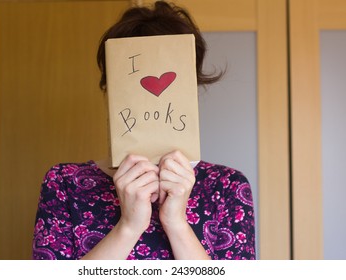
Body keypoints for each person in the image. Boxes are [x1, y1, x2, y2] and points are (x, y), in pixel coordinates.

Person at [32, 1, 255, 260]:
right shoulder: (64, 183)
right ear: (109, 91)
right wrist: (128, 226)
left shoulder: (227, 187)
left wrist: (177, 224)